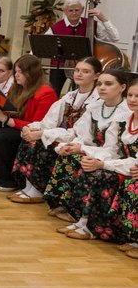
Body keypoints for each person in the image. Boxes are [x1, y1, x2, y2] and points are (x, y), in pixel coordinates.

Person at [8, 56, 102, 212]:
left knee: (40, 144)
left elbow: (78, 132)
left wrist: (43, 134)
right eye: (77, 70)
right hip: (62, 135)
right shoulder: (70, 96)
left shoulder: (97, 100)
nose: (79, 74)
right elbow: (49, 120)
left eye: (85, 71)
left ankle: (39, 190)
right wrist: (31, 128)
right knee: (29, 139)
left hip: (81, 141)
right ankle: (30, 185)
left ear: (96, 75)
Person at [46, 69, 130, 240]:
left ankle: (88, 222)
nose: (102, 88)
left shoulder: (125, 113)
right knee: (69, 156)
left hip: (115, 159)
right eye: (99, 84)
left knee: (94, 171)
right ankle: (73, 212)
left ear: (122, 87)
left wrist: (86, 152)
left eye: (108, 84)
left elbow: (113, 150)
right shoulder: (95, 107)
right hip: (97, 153)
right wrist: (74, 146)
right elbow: (82, 135)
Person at [0, 54, 58, 192]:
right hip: (15, 123)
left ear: (32, 73)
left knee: (3, 135)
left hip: (30, 130)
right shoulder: (17, 87)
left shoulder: (45, 93)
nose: (17, 75)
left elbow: (37, 124)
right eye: (16, 72)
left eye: (21, 72)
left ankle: (9, 180)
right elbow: (12, 109)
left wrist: (6, 119)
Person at [44, 0, 120, 95]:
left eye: (77, 10)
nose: (74, 13)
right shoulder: (56, 27)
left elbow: (115, 38)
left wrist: (103, 18)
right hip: (60, 66)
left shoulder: (91, 24)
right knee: (53, 93)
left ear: (82, 10)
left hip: (86, 67)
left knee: (83, 94)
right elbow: (44, 44)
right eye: (70, 10)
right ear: (65, 11)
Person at [105, 76, 138, 258]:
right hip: (130, 166)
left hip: (132, 168)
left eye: (137, 96)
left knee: (134, 185)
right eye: (130, 95)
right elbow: (112, 149)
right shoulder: (124, 120)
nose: (132, 100)